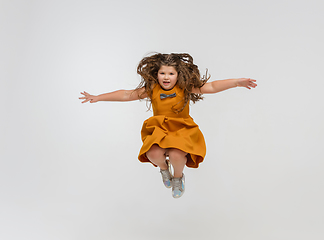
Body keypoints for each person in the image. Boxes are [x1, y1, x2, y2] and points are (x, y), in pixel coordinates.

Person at [79, 53, 257, 198]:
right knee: (153, 153)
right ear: (156, 74)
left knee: (176, 155)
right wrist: (98, 97)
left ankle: (178, 178)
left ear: (178, 75)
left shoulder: (185, 87)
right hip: (161, 128)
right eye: (162, 73)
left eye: (171, 74)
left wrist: (236, 82)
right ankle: (164, 170)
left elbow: (210, 87)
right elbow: (126, 94)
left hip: (181, 128)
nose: (166, 77)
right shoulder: (152, 89)